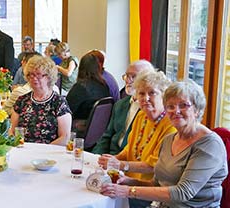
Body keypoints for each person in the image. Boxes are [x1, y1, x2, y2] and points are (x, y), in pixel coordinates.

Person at [100, 80, 228, 208]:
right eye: (170, 106)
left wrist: (128, 191)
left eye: (183, 105)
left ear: (197, 110)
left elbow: (183, 192)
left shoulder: (210, 145)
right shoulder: (168, 140)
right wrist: (128, 182)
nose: (176, 111)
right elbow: (157, 184)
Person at [97, 71, 176, 207]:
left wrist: (120, 165)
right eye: (141, 93)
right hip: (127, 180)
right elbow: (129, 149)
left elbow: (153, 166)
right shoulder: (141, 116)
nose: (145, 98)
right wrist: (114, 159)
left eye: (152, 93)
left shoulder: (170, 125)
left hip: (147, 191)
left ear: (163, 95)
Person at [92, 60, 155, 155]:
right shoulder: (120, 105)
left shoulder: (150, 111)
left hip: (130, 161)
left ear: (148, 80)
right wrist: (95, 157)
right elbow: (106, 137)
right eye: (126, 76)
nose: (127, 80)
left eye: (133, 76)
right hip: (110, 158)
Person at [9, 56, 72, 145]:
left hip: (49, 153)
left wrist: (42, 152)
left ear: (49, 77)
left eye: (39, 75)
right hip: (23, 150)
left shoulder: (59, 103)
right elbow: (12, 131)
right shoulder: (22, 100)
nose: (34, 78)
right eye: (31, 74)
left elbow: (64, 137)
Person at [66, 51, 111, 135]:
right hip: (97, 130)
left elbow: (66, 110)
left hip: (79, 129)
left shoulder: (81, 87)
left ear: (81, 67)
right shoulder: (104, 85)